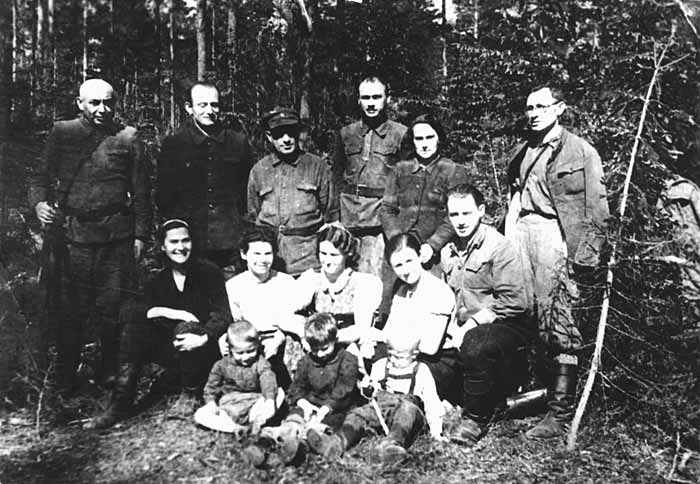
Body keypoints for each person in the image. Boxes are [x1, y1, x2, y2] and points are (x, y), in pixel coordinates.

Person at [28, 78, 152, 393]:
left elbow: (141, 192)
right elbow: (40, 178)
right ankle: (66, 377)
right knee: (71, 309)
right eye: (94, 102)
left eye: (108, 102)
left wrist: (140, 236)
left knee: (113, 308)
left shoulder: (128, 137)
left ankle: (108, 371)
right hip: (73, 238)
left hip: (115, 238)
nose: (102, 109)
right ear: (79, 103)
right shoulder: (63, 132)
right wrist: (39, 204)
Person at [502, 86, 609, 439]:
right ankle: (533, 394)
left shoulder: (581, 151)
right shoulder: (524, 148)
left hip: (554, 235)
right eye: (529, 107)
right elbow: (515, 194)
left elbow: (598, 208)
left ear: (560, 108)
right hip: (522, 233)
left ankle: (560, 413)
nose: (533, 113)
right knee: (525, 312)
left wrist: (585, 257)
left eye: (541, 106)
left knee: (559, 319)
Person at [85, 220, 231, 429]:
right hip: (172, 348)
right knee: (133, 329)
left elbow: (223, 315)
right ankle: (121, 402)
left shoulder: (208, 272)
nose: (180, 247)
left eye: (185, 240)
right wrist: (167, 311)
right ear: (163, 246)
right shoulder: (156, 276)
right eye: (173, 242)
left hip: (203, 348)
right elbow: (128, 311)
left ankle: (189, 394)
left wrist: (204, 337)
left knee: (186, 327)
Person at [440, 183, 533, 445]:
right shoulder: (448, 251)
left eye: (466, 213)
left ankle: (475, 419)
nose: (460, 221)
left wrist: (472, 323)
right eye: (454, 214)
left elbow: (515, 303)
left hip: (505, 328)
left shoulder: (499, 247)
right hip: (463, 328)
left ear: (481, 210)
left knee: (476, 343)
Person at [307, 330, 444, 465]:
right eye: (390, 355)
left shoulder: (421, 371)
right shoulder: (380, 365)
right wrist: (367, 388)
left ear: (415, 354)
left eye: (399, 357)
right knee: (357, 414)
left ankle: (392, 445)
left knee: (407, 410)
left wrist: (436, 432)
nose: (393, 360)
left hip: (409, 414)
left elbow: (432, 402)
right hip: (382, 408)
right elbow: (371, 395)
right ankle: (336, 443)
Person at [156, 82, 252, 274]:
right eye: (202, 105)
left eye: (214, 105)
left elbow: (246, 193)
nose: (209, 111)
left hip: (229, 242)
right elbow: (164, 197)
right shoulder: (174, 144)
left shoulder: (237, 142)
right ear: (189, 107)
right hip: (189, 243)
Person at [243, 313, 360, 467]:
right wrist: (303, 403)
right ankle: (266, 443)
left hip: (335, 408)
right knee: (294, 420)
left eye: (324, 348)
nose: (319, 354)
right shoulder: (305, 362)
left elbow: (344, 390)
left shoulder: (348, 360)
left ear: (335, 339)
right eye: (315, 349)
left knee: (317, 428)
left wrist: (327, 408)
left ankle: (299, 449)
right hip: (310, 405)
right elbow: (297, 387)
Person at [332, 76, 407, 315]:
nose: (371, 103)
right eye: (366, 97)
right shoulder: (346, 134)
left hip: (380, 219)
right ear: (359, 100)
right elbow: (336, 177)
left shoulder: (400, 134)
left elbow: (406, 180)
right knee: (348, 277)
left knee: (378, 279)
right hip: (350, 218)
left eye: (376, 97)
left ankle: (378, 324)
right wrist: (334, 218)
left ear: (387, 99)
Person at [247, 107, 337, 276]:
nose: (286, 139)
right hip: (271, 262)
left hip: (308, 261)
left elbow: (330, 215)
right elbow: (253, 215)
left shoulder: (317, 167)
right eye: (279, 134)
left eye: (291, 132)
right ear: (269, 136)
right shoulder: (259, 170)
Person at [380, 114, 467, 274]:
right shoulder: (399, 169)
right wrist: (399, 241)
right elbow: (387, 210)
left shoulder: (453, 170)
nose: (425, 144)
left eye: (429, 137)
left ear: (439, 138)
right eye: (419, 139)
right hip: (400, 251)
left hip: (435, 253)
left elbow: (456, 215)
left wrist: (433, 244)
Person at [222, 227, 306, 387]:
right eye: (256, 254)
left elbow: (291, 319)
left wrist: (277, 340)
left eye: (267, 253)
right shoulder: (234, 286)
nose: (262, 259)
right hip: (250, 343)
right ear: (244, 254)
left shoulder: (286, 282)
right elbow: (236, 324)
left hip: (282, 341)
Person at [381, 233, 459, 403]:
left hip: (436, 361)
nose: (405, 270)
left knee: (402, 390)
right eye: (398, 265)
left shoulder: (438, 290)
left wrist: (397, 336)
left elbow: (430, 346)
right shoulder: (401, 291)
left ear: (420, 256)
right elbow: (387, 332)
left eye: (409, 261)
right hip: (405, 354)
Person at [295, 224, 383, 353]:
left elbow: (362, 328)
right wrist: (305, 334)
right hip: (315, 345)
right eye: (323, 253)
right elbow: (283, 314)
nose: (327, 261)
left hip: (348, 345)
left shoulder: (362, 283)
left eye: (334, 255)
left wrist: (328, 338)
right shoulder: (311, 279)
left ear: (347, 254)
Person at [195, 320, 284, 435]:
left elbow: (268, 381)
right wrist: (211, 402)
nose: (245, 357)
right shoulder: (221, 365)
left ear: (257, 345)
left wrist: (270, 401)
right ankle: (235, 429)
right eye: (240, 353)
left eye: (250, 351)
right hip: (230, 407)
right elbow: (211, 386)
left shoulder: (261, 364)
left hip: (254, 404)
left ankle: (256, 421)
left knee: (279, 394)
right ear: (230, 349)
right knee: (200, 415)